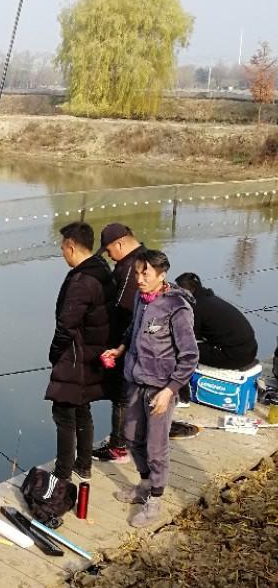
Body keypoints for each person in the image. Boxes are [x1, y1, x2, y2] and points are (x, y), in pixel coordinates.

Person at [103, 250, 198, 528]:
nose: (140, 279)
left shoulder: (177, 308)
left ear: (162, 274)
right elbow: (134, 328)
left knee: (157, 446)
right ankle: (144, 483)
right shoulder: (141, 299)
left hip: (161, 388)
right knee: (131, 436)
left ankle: (155, 498)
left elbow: (190, 356)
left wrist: (170, 390)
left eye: (146, 273)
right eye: (137, 273)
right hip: (136, 380)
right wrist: (120, 349)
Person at [45, 221, 116, 485]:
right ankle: (83, 464)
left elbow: (66, 324)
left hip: (76, 354)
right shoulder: (101, 270)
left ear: (72, 246)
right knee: (82, 407)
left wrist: (55, 354)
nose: (62, 253)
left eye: (63, 247)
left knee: (63, 412)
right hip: (92, 352)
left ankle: (62, 473)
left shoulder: (82, 281)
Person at [91, 223, 146, 463]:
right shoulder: (145, 259)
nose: (110, 256)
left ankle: (119, 446)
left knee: (122, 395)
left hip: (129, 340)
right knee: (130, 394)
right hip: (136, 338)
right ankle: (126, 439)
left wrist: (113, 344)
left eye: (109, 250)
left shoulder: (130, 269)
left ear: (120, 244)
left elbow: (121, 309)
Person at [175, 273, 258, 369]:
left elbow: (190, 338)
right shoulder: (209, 298)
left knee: (180, 347)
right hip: (251, 350)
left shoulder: (195, 308)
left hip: (236, 357)